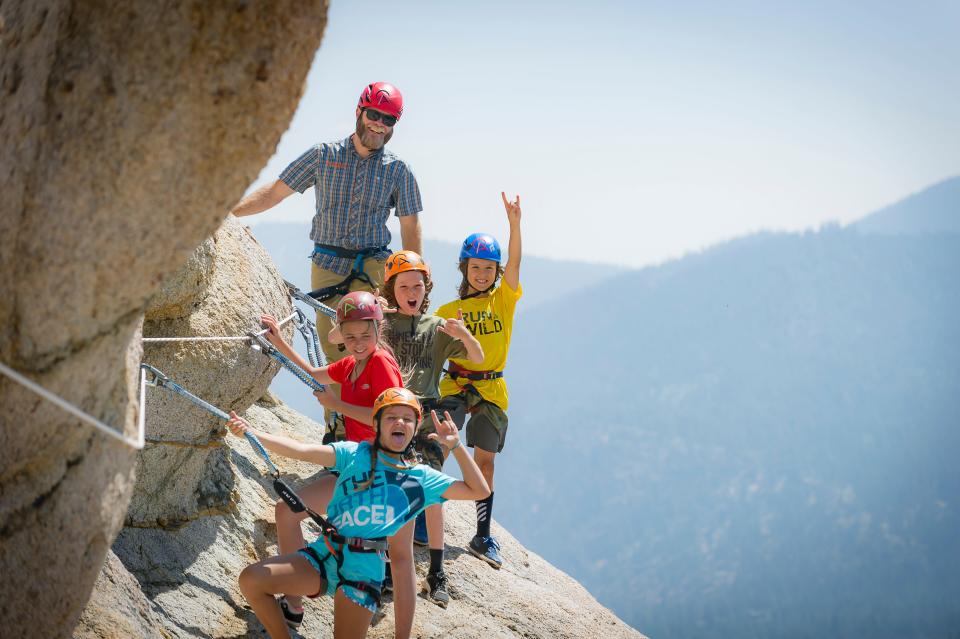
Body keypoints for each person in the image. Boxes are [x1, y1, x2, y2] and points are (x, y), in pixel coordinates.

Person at [231, 81, 423, 441]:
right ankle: (337, 429)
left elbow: (411, 227)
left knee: (372, 346)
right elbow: (276, 191)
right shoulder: (323, 156)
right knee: (333, 349)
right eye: (374, 115)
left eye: (388, 119)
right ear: (359, 112)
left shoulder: (399, 171)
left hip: (373, 267)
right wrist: (227, 214)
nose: (380, 124)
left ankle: (383, 432)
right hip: (328, 264)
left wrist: (410, 280)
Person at [227, 388, 490, 639]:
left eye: (407, 418)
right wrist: (252, 433)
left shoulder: (420, 478)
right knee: (252, 580)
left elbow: (479, 490)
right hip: (324, 554)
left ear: (416, 427)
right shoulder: (354, 453)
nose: (399, 422)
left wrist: (456, 447)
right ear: (376, 425)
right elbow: (301, 451)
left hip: (363, 571)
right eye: (391, 417)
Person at [259, 291, 401, 623]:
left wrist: (337, 406)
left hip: (375, 471)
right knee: (287, 511)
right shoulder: (352, 364)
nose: (358, 342)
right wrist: (279, 341)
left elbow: (391, 420)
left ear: (379, 331)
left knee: (289, 513)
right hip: (356, 465)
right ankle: (294, 604)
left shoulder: (380, 363)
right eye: (350, 337)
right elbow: (313, 372)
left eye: (365, 335)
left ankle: (295, 604)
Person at [377, 249, 484, 606]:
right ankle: (388, 565)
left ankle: (436, 572)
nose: (412, 292)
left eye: (418, 285)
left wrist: (464, 336)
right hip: (393, 414)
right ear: (392, 290)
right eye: (404, 285)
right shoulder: (383, 324)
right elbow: (339, 339)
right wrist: (372, 312)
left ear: (427, 288)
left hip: (428, 417)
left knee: (433, 491)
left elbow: (478, 357)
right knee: (393, 486)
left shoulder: (437, 328)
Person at [434, 192, 522, 569]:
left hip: (490, 387)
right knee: (434, 448)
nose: (483, 274)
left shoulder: (503, 299)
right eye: (476, 267)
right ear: (464, 268)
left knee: (484, 462)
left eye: (489, 268)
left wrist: (515, 225)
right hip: (455, 384)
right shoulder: (447, 311)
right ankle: (424, 520)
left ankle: (483, 535)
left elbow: (515, 263)